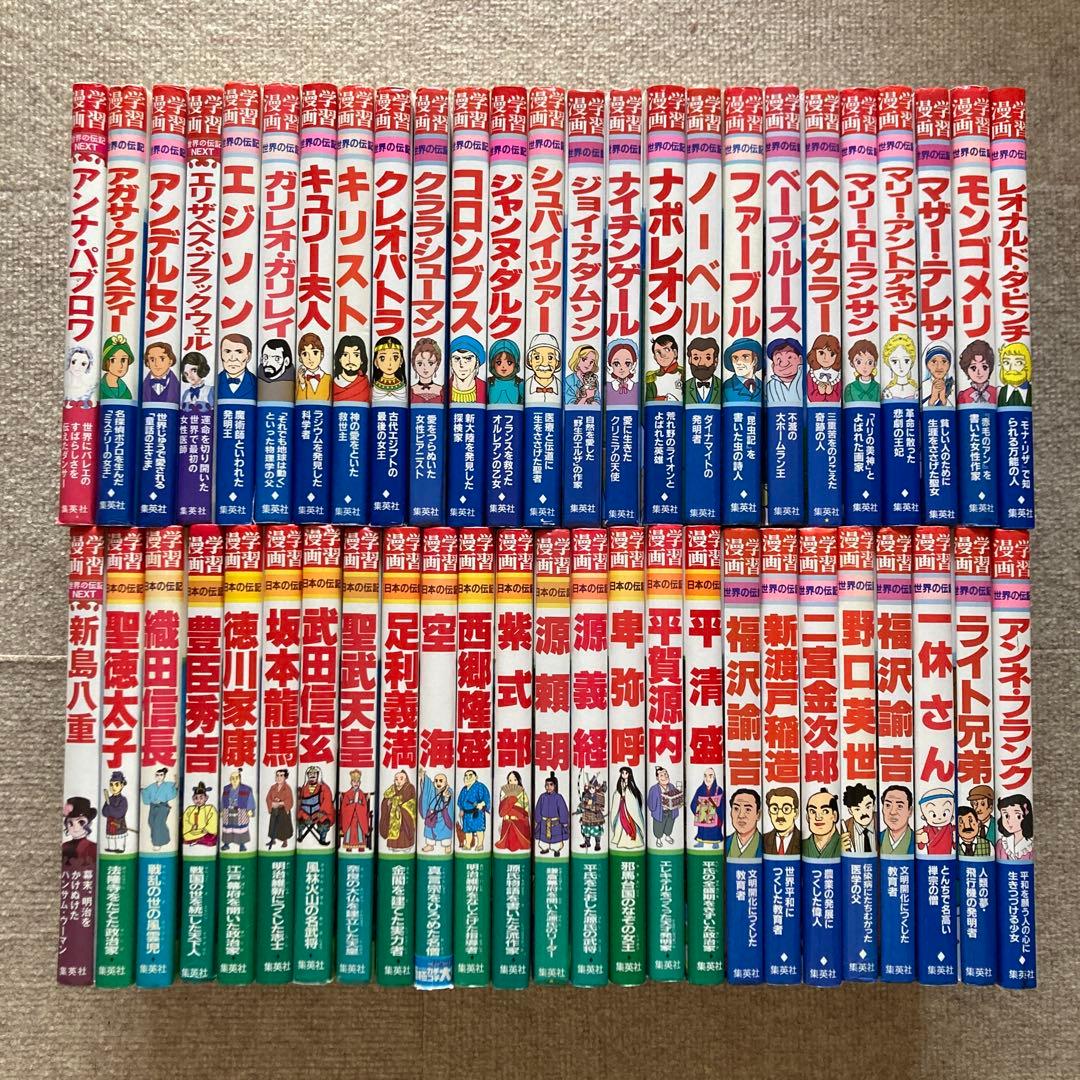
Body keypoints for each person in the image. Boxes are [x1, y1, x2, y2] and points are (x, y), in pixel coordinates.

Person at [417, 766, 454, 854]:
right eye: (436, 781)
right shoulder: (432, 790)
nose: (438, 783)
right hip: (432, 815)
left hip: (443, 816)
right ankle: (430, 845)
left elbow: (449, 802)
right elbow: (427, 786)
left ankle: (447, 845)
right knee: (429, 829)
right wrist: (423, 776)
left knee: (445, 830)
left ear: (446, 782)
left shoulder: (448, 791)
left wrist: (446, 797)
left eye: (441, 781)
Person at [140, 767, 178, 851]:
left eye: (161, 775)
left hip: (163, 807)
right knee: (151, 822)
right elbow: (145, 791)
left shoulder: (167, 785)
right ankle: (165, 838)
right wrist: (142, 790)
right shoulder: (152, 786)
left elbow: (174, 788)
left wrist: (176, 780)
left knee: (157, 823)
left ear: (164, 776)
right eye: (157, 775)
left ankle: (156, 843)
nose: (159, 777)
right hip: (153, 806)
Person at [296, 765, 335, 846]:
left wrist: (322, 812)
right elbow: (301, 801)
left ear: (318, 775)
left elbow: (327, 801)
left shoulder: (324, 788)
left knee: (324, 822)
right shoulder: (304, 788)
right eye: (310, 774)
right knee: (300, 821)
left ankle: (322, 839)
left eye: (314, 773)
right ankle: (300, 836)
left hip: (319, 813)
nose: (312, 775)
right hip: (305, 813)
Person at [609, 766, 645, 851]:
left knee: (630, 822)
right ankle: (619, 839)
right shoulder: (620, 784)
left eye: (626, 773)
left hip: (629, 808)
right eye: (622, 773)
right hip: (622, 806)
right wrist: (621, 793)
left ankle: (632, 840)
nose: (624, 774)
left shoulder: (631, 785)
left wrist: (626, 795)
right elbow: (617, 794)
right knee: (621, 822)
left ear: (629, 774)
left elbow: (633, 797)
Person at [533, 773, 570, 856]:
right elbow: (538, 808)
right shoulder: (542, 797)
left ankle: (556, 850)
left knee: (556, 839)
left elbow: (563, 810)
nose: (548, 787)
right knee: (543, 840)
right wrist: (537, 819)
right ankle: (545, 848)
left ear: (555, 786)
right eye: (547, 785)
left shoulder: (558, 797)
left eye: (551, 785)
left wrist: (564, 821)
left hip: (555, 823)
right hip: (544, 822)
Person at [379, 770, 416, 850]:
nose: (398, 781)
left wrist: (396, 802)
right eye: (396, 779)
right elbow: (385, 800)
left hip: (404, 815)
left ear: (406, 780)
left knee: (403, 832)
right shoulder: (392, 789)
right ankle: (392, 846)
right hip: (393, 815)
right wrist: (388, 802)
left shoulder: (409, 787)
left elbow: (409, 800)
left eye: (401, 779)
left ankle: (406, 846)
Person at [220, 770, 256, 851]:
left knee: (240, 829)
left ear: (240, 779)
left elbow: (250, 799)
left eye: (236, 778)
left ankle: (242, 845)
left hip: (240, 811)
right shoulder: (226, 788)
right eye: (232, 778)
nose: (234, 780)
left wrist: (250, 809)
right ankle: (226, 844)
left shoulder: (246, 789)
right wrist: (221, 810)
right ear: (230, 779)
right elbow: (223, 800)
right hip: (228, 810)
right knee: (228, 828)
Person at [495, 771, 531, 852]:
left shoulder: (522, 792)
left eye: (515, 780)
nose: (512, 782)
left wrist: (515, 809)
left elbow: (525, 808)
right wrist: (507, 800)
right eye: (510, 780)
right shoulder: (504, 793)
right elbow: (501, 810)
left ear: (518, 780)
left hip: (518, 820)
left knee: (520, 840)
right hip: (507, 819)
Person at [647, 766, 682, 847]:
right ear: (657, 778)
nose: (664, 777)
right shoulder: (654, 789)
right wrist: (655, 807)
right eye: (661, 775)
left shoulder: (671, 786)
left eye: (665, 774)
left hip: (671, 811)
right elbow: (651, 803)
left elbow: (676, 797)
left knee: (669, 825)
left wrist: (678, 801)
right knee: (658, 826)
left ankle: (667, 836)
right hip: (660, 812)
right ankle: (658, 839)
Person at [457, 768, 491, 851]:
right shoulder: (464, 789)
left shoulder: (480, 786)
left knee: (479, 829)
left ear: (476, 777)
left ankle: (480, 845)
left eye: (470, 775)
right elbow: (461, 800)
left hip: (477, 812)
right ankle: (468, 845)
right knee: (467, 830)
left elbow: (486, 798)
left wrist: (481, 804)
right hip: (467, 814)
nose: (468, 777)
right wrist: (461, 809)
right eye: (466, 775)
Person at [689, 767, 724, 849]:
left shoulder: (718, 789)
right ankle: (700, 842)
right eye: (705, 776)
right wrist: (698, 812)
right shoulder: (700, 789)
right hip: (703, 815)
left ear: (714, 777)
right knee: (702, 829)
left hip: (714, 815)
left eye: (710, 776)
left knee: (715, 828)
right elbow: (693, 803)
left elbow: (722, 804)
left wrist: (717, 809)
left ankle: (715, 842)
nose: (707, 778)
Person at [802, 788, 842, 858]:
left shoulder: (843, 844)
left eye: (825, 811)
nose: (818, 817)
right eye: (812, 811)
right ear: (807, 817)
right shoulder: (802, 845)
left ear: (835, 816)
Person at [339, 769, 372, 852]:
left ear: (360, 783)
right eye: (354, 781)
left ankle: (361, 846)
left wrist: (358, 806)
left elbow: (365, 807)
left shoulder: (361, 794)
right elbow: (344, 808)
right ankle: (348, 846)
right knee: (349, 828)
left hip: (359, 817)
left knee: (360, 828)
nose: (356, 783)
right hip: (349, 818)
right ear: (351, 783)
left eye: (358, 782)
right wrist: (353, 805)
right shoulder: (347, 794)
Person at [915, 787, 955, 855]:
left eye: (944, 814)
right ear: (924, 816)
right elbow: (920, 846)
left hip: (948, 857)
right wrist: (920, 838)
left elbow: (955, 846)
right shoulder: (926, 830)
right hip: (929, 857)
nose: (939, 818)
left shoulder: (952, 828)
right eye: (934, 815)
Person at [683, 336, 723, 405]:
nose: (701, 363)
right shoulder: (685, 386)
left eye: (708, 358)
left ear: (716, 361)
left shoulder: (722, 385)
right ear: (689, 360)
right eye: (696, 358)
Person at [572, 773, 607, 852]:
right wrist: (579, 810)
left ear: (596, 788)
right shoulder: (586, 795)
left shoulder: (599, 796)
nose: (591, 789)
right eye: (590, 788)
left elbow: (600, 807)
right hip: (586, 816)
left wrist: (590, 806)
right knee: (586, 830)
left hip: (596, 817)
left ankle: (597, 844)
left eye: (593, 788)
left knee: (596, 831)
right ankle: (587, 842)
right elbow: (582, 804)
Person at [765, 337, 804, 405]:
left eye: (789, 357)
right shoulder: (770, 386)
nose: (784, 364)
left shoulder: (807, 379)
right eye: (778, 359)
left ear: (800, 359)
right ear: (772, 365)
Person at [448, 335, 487, 404]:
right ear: (451, 362)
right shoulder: (442, 390)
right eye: (456, 358)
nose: (461, 364)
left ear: (477, 362)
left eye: (468, 358)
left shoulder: (486, 389)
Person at [216, 333, 256, 400]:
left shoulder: (256, 382)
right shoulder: (214, 381)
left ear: (248, 356)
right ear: (221, 354)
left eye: (239, 352)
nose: (232, 358)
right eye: (227, 351)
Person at [722, 337, 763, 402]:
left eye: (745, 357)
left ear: (755, 360)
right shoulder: (726, 387)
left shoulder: (763, 385)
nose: (739, 363)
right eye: (735, 358)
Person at [726, 788, 763, 859]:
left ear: (758, 815)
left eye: (748, 809)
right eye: (736, 808)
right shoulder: (724, 843)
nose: (741, 816)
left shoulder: (767, 845)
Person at [995, 793, 1034, 861]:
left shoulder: (1030, 846)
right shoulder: (1001, 844)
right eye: (1006, 816)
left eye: (1017, 816)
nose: (1009, 821)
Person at [957, 339, 997, 404]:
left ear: (990, 368)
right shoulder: (963, 395)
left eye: (984, 367)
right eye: (973, 368)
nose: (979, 372)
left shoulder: (996, 392)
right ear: (966, 369)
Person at [841, 781, 877, 854]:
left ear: (873, 806)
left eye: (868, 807)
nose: (864, 813)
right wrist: (841, 850)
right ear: (850, 811)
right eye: (857, 809)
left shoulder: (883, 822)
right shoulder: (844, 828)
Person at [332, 334, 371, 402]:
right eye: (345, 355)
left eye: (356, 355)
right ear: (339, 358)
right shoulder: (334, 382)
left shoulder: (365, 382)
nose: (350, 360)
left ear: (362, 359)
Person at [880, 333, 919, 400]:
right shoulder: (887, 392)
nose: (901, 366)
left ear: (912, 361)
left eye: (906, 361)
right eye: (895, 361)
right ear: (888, 363)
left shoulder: (916, 390)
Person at [763, 786, 800, 855]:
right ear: (769, 812)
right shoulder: (763, 840)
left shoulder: (802, 840)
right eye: (775, 809)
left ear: (796, 813)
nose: (779, 815)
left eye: (786, 809)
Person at [61, 795, 97, 868]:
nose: (75, 828)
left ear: (89, 823)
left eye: (81, 822)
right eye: (70, 823)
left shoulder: (93, 848)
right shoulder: (64, 846)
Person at [878, 784, 914, 856]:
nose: (893, 812)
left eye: (900, 806)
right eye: (888, 805)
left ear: (910, 811)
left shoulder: (917, 840)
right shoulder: (877, 838)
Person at [806, 333, 841, 403]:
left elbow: (838, 398)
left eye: (832, 354)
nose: (826, 358)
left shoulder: (837, 375)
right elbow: (810, 396)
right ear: (814, 353)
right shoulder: (811, 374)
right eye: (821, 353)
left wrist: (830, 393)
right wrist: (820, 393)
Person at [525, 332, 561, 399]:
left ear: (556, 362)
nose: (544, 364)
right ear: (530, 361)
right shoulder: (525, 386)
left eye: (550, 358)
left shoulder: (562, 386)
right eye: (537, 357)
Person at [295, 332, 331, 401]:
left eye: (315, 353)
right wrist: (302, 383)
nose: (310, 358)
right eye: (305, 354)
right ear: (300, 359)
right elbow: (299, 398)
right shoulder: (299, 379)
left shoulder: (328, 378)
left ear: (322, 355)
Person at [645, 334, 681, 401]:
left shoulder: (683, 373)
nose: (662, 355)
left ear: (675, 353)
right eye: (658, 352)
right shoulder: (651, 377)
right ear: (655, 357)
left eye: (667, 350)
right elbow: (649, 399)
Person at [181, 781, 217, 847]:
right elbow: (185, 820)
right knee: (185, 838)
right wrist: (191, 826)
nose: (198, 800)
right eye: (196, 798)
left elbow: (214, 820)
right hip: (192, 832)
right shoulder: (190, 809)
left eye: (201, 797)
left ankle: (197, 841)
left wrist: (207, 829)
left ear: (206, 798)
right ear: (193, 798)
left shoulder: (210, 808)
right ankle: (198, 841)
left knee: (211, 839)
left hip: (205, 832)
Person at [99, 334, 135, 400]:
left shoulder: (126, 391)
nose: (120, 365)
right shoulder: (99, 387)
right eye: (113, 360)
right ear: (106, 362)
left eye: (123, 360)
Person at [101, 770, 129, 853]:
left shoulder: (123, 800)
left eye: (116, 784)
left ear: (122, 785)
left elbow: (119, 813)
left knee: (119, 838)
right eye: (111, 785)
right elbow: (104, 812)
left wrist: (110, 808)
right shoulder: (109, 799)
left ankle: (120, 848)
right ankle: (111, 848)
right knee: (111, 839)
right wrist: (108, 807)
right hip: (110, 824)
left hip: (119, 824)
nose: (113, 787)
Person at [265, 768, 293, 849]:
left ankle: (285, 841)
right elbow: (268, 798)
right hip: (274, 809)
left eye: (281, 775)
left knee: (284, 826)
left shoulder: (287, 788)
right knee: (273, 825)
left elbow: (289, 800)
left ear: (285, 777)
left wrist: (280, 803)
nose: (279, 777)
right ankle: (273, 839)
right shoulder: (273, 787)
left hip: (283, 810)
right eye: (277, 775)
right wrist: (272, 804)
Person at [371, 336, 406, 400]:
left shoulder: (403, 387)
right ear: (376, 362)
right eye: (382, 358)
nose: (389, 363)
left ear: (401, 361)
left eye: (395, 357)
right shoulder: (374, 388)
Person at [488, 339, 523, 404]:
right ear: (492, 364)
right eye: (499, 362)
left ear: (516, 364)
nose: (503, 366)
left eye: (509, 362)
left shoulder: (519, 383)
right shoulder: (489, 383)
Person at [409, 337, 444, 403]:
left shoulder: (442, 391)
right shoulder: (410, 391)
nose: (425, 367)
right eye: (420, 363)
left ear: (437, 365)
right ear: (414, 365)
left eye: (430, 363)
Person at [998, 342, 1032, 407]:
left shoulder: (1030, 390)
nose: (1011, 368)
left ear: (1027, 365)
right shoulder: (1002, 391)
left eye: (1019, 362)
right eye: (1006, 362)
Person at [606, 341, 639, 407]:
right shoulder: (607, 386)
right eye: (616, 364)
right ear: (609, 364)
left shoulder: (638, 386)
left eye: (627, 363)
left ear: (633, 365)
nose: (622, 368)